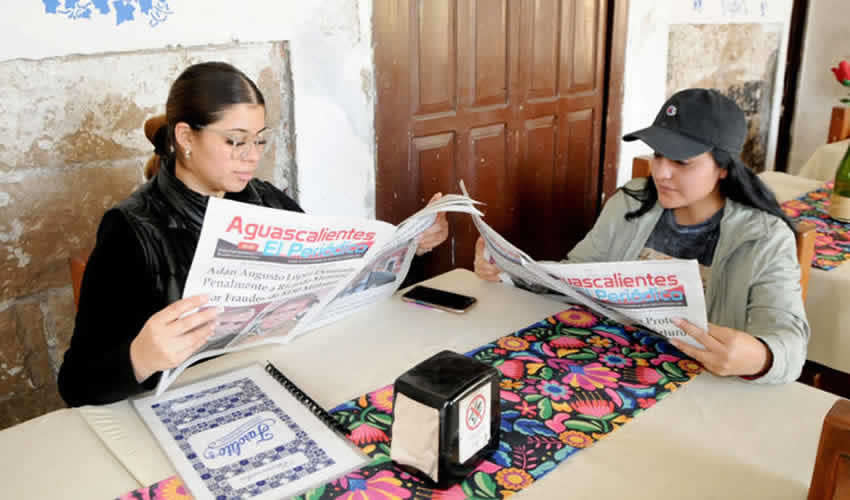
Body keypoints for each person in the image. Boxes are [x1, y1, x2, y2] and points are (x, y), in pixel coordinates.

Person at [58, 62, 449, 406]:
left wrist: (410, 250)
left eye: (259, 139)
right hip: (191, 410)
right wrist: (141, 358)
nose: (252, 155)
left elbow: (334, 292)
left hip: (284, 384)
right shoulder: (132, 230)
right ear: (186, 137)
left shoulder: (264, 200)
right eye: (235, 140)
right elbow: (76, 385)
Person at [474, 88, 809, 384]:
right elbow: (574, 276)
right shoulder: (629, 203)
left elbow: (790, 343)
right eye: (658, 154)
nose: (661, 172)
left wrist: (762, 357)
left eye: (681, 161)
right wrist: (512, 273)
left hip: (703, 389)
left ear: (724, 167)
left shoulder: (764, 238)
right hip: (612, 370)